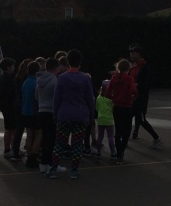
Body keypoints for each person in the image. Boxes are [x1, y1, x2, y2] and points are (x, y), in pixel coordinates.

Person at [47, 49, 95, 179]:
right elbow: (90, 99)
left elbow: (57, 98)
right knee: (77, 144)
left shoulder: (61, 78)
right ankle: (74, 170)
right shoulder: (85, 79)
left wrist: (55, 114)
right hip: (81, 115)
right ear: (80, 62)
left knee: (59, 143)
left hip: (64, 114)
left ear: (67, 62)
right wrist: (91, 116)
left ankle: (53, 169)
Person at [129, 44, 163, 148]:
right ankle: (126, 137)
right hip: (133, 98)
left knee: (141, 119)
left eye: (133, 53)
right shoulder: (133, 67)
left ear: (139, 54)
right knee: (128, 118)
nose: (131, 55)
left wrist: (136, 84)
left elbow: (148, 83)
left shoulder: (145, 67)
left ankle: (157, 138)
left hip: (140, 98)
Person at [105, 58, 138, 164]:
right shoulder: (129, 79)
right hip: (126, 107)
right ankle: (122, 151)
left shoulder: (114, 78)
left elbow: (107, 93)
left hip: (117, 107)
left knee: (118, 131)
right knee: (127, 130)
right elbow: (134, 91)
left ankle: (119, 153)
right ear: (128, 68)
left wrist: (114, 99)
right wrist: (131, 99)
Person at [36, 57, 66, 174]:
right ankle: (51, 164)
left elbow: (36, 96)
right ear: (55, 68)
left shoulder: (39, 80)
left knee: (45, 138)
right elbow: (58, 97)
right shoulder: (55, 80)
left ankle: (43, 164)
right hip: (51, 112)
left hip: (41, 110)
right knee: (52, 139)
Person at [11, 58, 32, 162]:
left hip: (18, 104)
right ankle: (29, 150)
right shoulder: (27, 79)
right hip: (25, 105)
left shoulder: (17, 77)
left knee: (19, 130)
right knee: (30, 130)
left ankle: (15, 151)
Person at [22, 61, 42, 168]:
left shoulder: (25, 82)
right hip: (34, 112)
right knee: (38, 134)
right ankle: (34, 155)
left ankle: (29, 155)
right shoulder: (37, 82)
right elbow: (37, 98)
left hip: (25, 112)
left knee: (29, 135)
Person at [0, 57, 17, 158]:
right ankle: (8, 148)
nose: (14, 67)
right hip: (9, 107)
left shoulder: (4, 78)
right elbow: (8, 94)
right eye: (12, 66)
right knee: (10, 128)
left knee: (11, 128)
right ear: (8, 67)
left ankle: (12, 148)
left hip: (7, 106)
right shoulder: (7, 79)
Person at [94, 79, 117, 159]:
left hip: (100, 119)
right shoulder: (111, 99)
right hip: (109, 119)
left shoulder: (98, 98)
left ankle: (98, 152)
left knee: (100, 136)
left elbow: (96, 108)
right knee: (110, 136)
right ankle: (113, 153)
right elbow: (113, 108)